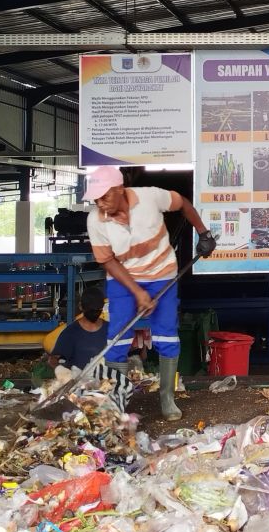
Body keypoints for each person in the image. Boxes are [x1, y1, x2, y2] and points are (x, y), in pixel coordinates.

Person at [85, 166, 217, 420]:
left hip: (161, 275)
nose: (100, 203)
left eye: (105, 196)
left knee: (167, 336)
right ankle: (116, 401)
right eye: (96, 198)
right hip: (123, 280)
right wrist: (137, 292)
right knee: (117, 339)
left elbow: (183, 204)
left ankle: (167, 398)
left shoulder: (149, 197)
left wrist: (203, 233)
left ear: (119, 189)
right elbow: (108, 261)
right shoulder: (95, 220)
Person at [49, 286, 109, 369]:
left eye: (98, 310)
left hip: (106, 380)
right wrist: (62, 373)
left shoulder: (109, 330)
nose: (95, 313)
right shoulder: (70, 334)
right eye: (91, 310)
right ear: (81, 306)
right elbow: (54, 360)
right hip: (77, 380)